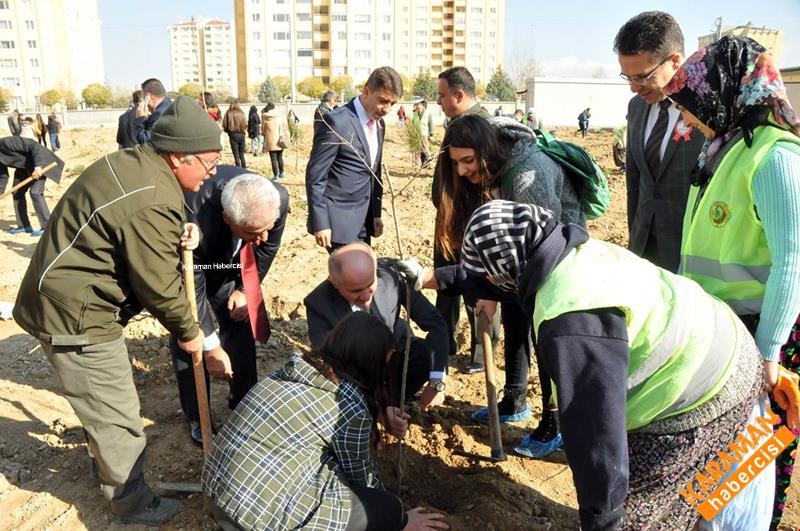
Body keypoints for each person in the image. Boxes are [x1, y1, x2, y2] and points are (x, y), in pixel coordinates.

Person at [401, 199, 774, 530]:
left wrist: (601, 519)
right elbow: (498, 278)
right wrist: (433, 278)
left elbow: (596, 433)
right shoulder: (566, 250)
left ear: (505, 270)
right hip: (728, 347)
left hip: (707, 394)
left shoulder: (570, 321)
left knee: (640, 514)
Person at [12, 96, 225, 526]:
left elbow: (138, 225)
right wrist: (191, 332)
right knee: (119, 414)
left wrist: (180, 229)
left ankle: (107, 465)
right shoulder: (149, 196)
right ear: (179, 156)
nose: (213, 172)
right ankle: (129, 504)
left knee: (103, 405)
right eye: (209, 163)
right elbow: (159, 285)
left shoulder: (140, 166)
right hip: (74, 316)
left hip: (68, 295)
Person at [666, 35, 800, 529]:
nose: (687, 120)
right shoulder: (721, 151)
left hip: (758, 338)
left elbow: (793, 260)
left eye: (691, 107)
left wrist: (769, 353)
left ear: (725, 92)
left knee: (743, 474)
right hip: (718, 335)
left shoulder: (775, 158)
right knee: (713, 472)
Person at [202, 311, 449, 531]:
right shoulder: (348, 406)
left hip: (216, 494)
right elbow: (363, 478)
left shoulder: (292, 369)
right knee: (384, 507)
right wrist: (400, 519)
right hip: (257, 518)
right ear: (369, 362)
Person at [435, 114, 584, 457]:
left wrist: (503, 289)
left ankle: (555, 420)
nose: (461, 171)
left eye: (468, 161)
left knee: (544, 332)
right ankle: (515, 399)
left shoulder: (529, 171)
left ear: (486, 150)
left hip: (557, 260)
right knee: (517, 320)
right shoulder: (499, 166)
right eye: (456, 163)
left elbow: (543, 243)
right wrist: (491, 293)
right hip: (524, 261)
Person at [175, 167, 288, 446]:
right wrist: (211, 347)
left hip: (228, 265)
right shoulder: (195, 220)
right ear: (228, 220)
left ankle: (244, 402)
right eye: (252, 232)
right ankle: (197, 415)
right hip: (196, 268)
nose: (262, 238)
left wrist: (244, 289)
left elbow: (266, 249)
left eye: (267, 229)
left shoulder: (275, 201)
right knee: (189, 339)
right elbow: (193, 293)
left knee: (239, 320)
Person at [304, 242, 449, 412]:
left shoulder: (391, 277)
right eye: (356, 291)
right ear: (335, 283)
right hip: (355, 370)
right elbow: (328, 364)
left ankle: (390, 403)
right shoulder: (318, 303)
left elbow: (435, 323)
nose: (366, 297)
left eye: (370, 285)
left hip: (396, 353)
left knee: (425, 355)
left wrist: (436, 381)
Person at [614, 11, 705, 273]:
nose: (634, 87)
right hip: (644, 246)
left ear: (675, 61)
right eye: (627, 77)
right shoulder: (637, 107)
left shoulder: (706, 110)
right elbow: (635, 180)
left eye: (642, 76)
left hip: (689, 250)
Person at [431, 66, 495, 363]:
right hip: (449, 220)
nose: (439, 101)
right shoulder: (455, 122)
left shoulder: (482, 126)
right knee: (446, 285)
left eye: (442, 96)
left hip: (472, 223)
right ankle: (445, 342)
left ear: (459, 94)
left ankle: (483, 352)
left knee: (476, 285)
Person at [305, 66, 402, 251]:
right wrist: (321, 222)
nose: (387, 109)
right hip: (338, 221)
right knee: (351, 277)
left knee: (360, 275)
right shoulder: (337, 122)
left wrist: (375, 213)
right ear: (366, 91)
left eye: (393, 104)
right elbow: (315, 175)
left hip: (364, 219)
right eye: (383, 101)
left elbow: (375, 171)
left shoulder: (379, 125)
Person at [0, 136, 63, 236]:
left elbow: (33, 145)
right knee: (17, 192)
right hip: (24, 167)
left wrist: (38, 167)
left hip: (40, 162)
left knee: (35, 192)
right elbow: (2, 176)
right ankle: (24, 226)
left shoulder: (6, 142)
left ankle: (47, 227)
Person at [135, 78, 172, 144]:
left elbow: (144, 141)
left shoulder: (158, 114)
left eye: (143, 97)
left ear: (147, 96)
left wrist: (140, 119)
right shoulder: (169, 105)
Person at [261, 102, 285, 181]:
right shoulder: (278, 115)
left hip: (270, 140)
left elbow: (263, 129)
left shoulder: (265, 117)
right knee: (280, 157)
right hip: (279, 139)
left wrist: (266, 133)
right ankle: (282, 172)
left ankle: (276, 175)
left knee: (273, 159)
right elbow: (282, 126)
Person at [222, 100, 247, 168]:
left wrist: (228, 131)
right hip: (242, 134)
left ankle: (238, 169)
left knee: (236, 155)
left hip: (233, 135)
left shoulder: (228, 113)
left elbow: (224, 124)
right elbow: (245, 124)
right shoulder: (241, 113)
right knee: (242, 155)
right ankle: (244, 170)